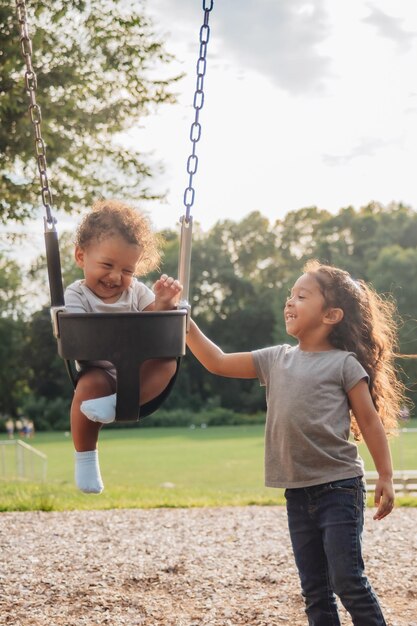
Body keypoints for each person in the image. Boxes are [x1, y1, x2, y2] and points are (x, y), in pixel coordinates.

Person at [186, 260, 406, 626]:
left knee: (347, 580)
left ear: (332, 315)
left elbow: (369, 421)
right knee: (315, 590)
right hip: (298, 491)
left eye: (301, 296)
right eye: (290, 295)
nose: (290, 302)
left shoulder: (344, 364)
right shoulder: (276, 359)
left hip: (339, 487)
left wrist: (385, 474)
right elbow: (218, 361)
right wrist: (186, 323)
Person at [64, 199, 182, 494]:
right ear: (81, 256)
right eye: (107, 265)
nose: (116, 277)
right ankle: (86, 461)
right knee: (86, 390)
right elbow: (77, 337)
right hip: (99, 368)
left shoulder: (137, 291)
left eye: (127, 270)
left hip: (140, 368)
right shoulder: (75, 295)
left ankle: (116, 405)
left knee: (168, 361)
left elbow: (152, 321)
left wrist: (165, 303)